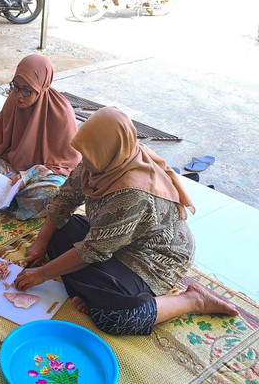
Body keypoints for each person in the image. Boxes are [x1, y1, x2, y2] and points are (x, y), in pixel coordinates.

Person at [13, 107, 238, 335]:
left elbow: (92, 251)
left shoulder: (132, 191)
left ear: (109, 151)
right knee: (57, 233)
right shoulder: (102, 159)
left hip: (151, 257)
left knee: (116, 317)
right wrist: (41, 242)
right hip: (114, 240)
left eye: (89, 156)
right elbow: (65, 200)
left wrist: (42, 274)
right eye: (85, 154)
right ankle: (96, 293)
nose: (84, 162)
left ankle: (193, 300)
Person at [0, 54, 81, 220]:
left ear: (41, 88)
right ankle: (14, 197)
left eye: (27, 90)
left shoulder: (61, 112)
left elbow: (65, 165)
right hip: (12, 167)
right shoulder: (14, 100)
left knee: (56, 190)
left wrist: (27, 176)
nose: (19, 95)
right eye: (15, 87)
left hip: (41, 176)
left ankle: (8, 196)